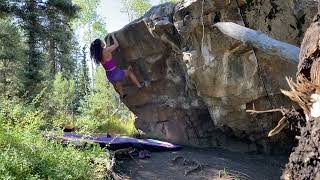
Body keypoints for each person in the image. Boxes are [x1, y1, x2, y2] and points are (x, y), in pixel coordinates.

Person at [90, 33, 144, 98]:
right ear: (100, 44)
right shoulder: (106, 50)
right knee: (129, 72)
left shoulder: (98, 55)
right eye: (101, 41)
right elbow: (116, 45)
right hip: (115, 72)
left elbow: (108, 47)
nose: (103, 42)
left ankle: (122, 94)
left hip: (109, 75)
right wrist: (113, 36)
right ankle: (139, 86)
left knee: (117, 82)